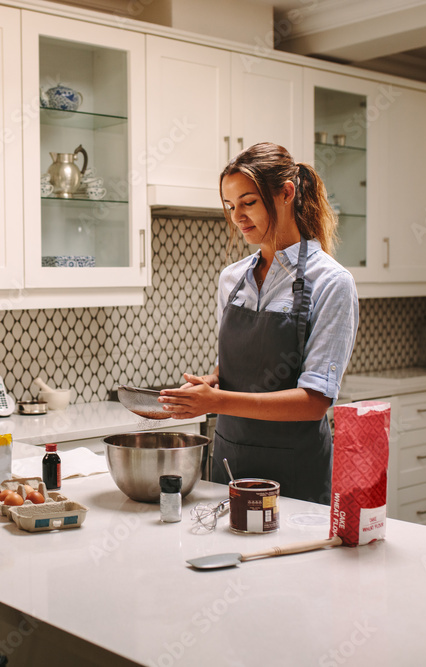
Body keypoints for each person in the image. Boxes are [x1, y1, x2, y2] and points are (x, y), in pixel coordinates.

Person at [158, 142, 358, 503]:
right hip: (230, 464)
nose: (237, 217)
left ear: (286, 193)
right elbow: (241, 361)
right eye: (230, 206)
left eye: (248, 203)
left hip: (296, 473)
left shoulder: (331, 282)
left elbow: (314, 401)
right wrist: (214, 379)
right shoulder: (231, 279)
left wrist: (216, 400)